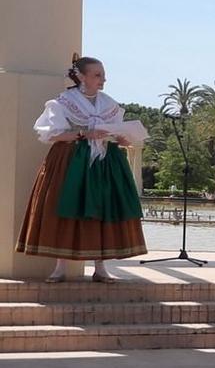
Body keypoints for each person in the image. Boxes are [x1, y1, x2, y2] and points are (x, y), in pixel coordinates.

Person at [16, 55, 147, 282]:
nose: (103, 80)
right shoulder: (63, 103)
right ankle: (60, 268)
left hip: (104, 162)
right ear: (81, 76)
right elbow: (52, 135)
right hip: (71, 160)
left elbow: (114, 131)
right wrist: (84, 133)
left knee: (103, 209)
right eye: (97, 75)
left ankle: (100, 268)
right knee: (67, 207)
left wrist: (121, 139)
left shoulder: (109, 104)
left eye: (103, 75)